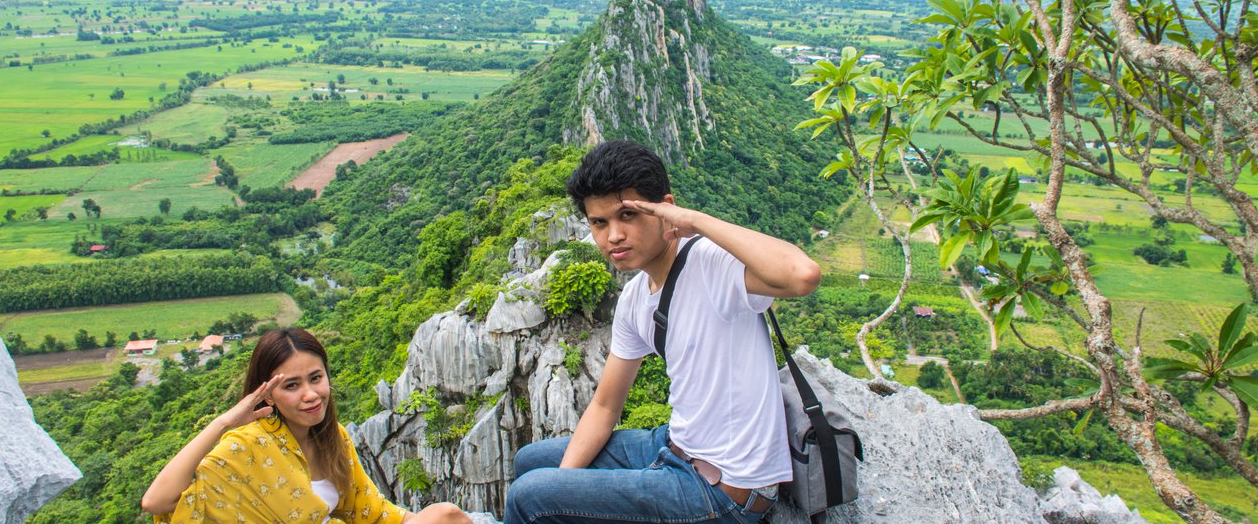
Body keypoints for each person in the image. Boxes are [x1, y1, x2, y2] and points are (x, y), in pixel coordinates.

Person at [504, 141, 821, 523]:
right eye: (599, 222)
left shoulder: (712, 265)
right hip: (677, 446)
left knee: (528, 496)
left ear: (664, 209)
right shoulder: (635, 298)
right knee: (532, 462)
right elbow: (605, 407)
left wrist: (695, 220)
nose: (614, 236)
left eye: (628, 215)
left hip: (725, 488)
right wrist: (563, 488)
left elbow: (803, 275)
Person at [141, 327, 471, 524]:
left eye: (316, 378)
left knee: (446, 514)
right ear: (267, 392)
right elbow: (156, 502)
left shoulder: (333, 439)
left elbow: (368, 508)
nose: (310, 395)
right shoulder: (248, 445)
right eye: (291, 386)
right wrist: (225, 422)